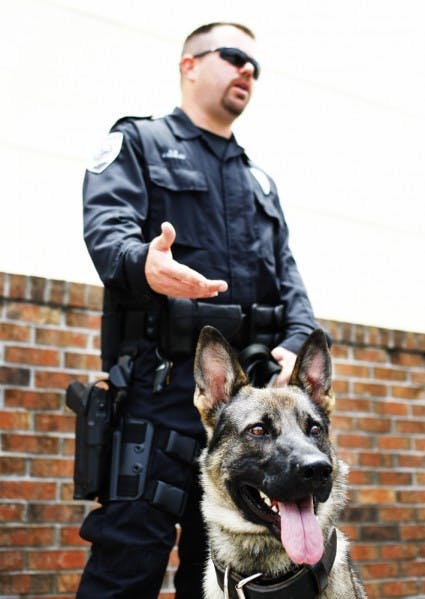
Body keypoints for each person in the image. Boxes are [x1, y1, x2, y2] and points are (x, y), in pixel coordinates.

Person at [77, 21, 320, 599]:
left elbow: (293, 286)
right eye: (234, 57)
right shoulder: (140, 142)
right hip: (158, 402)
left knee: (226, 581)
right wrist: (143, 263)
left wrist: (295, 339)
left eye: (255, 67)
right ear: (189, 64)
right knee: (125, 568)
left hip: (248, 421)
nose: (247, 72)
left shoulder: (259, 181)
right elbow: (107, 230)